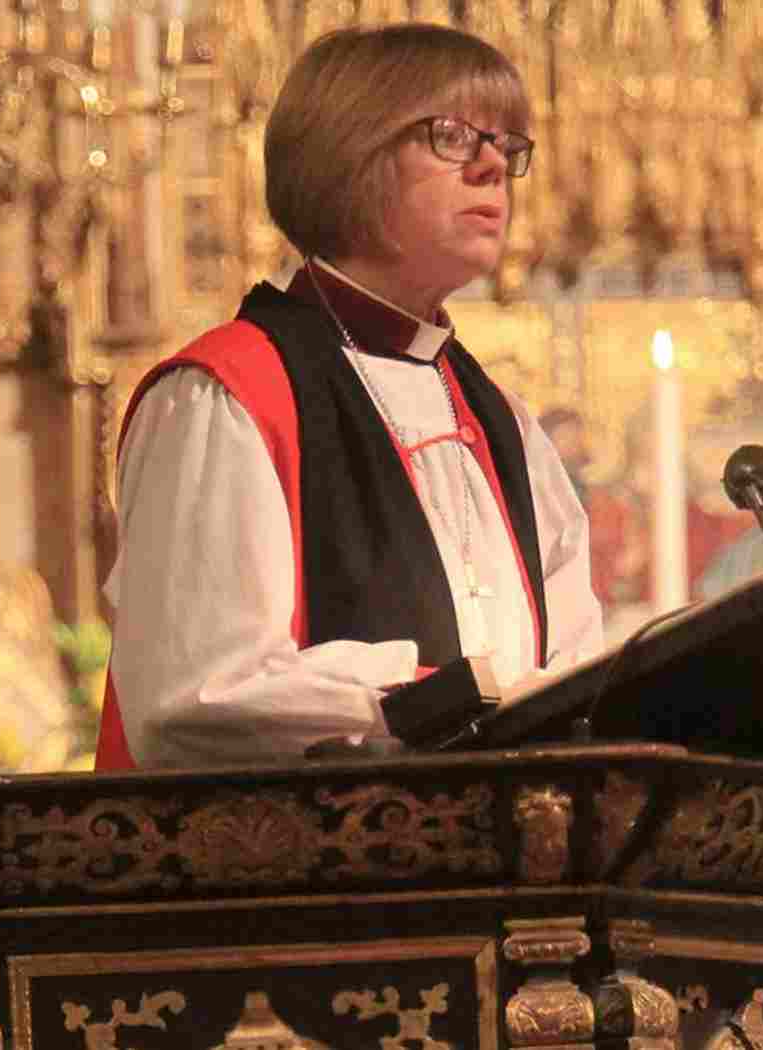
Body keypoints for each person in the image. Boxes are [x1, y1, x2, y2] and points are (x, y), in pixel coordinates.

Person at [94, 24, 603, 770]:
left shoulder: (501, 424)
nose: (494, 165)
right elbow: (193, 698)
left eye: (507, 144)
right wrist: (441, 697)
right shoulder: (228, 394)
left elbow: (573, 678)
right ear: (347, 155)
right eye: (453, 136)